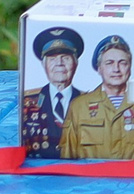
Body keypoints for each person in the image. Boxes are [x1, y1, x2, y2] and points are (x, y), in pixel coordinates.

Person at [60, 35, 134, 160]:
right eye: (109, 63)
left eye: (122, 63)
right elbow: (67, 158)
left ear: (130, 67)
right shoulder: (79, 106)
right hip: (92, 180)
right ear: (100, 69)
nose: (116, 69)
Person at [20, 25, 88, 158]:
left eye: (66, 58)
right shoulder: (28, 101)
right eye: (52, 58)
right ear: (43, 64)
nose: (59, 63)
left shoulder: (89, 102)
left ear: (76, 63)